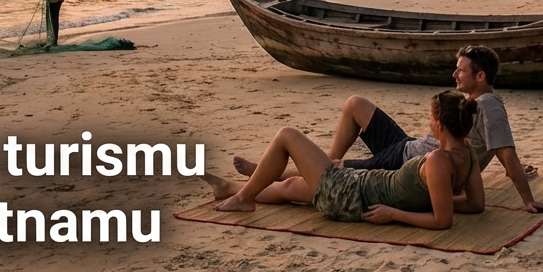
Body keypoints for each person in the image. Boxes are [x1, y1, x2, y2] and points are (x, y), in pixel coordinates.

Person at [234, 44, 543, 214]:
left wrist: (526, 199)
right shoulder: (473, 101)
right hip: (407, 146)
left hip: (405, 165)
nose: (454, 75)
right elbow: (496, 152)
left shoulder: (488, 106)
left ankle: (281, 174)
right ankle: (323, 161)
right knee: (354, 104)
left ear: (481, 76)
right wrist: (516, 171)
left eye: (461, 71)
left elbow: (506, 153)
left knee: (327, 175)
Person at [203, 90, 485, 230]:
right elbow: (475, 205)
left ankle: (244, 199)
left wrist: (394, 214)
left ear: (437, 122)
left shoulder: (437, 159)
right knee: (293, 188)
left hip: (351, 195)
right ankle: (231, 189)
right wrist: (436, 199)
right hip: (359, 187)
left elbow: (443, 220)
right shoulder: (468, 153)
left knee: (286, 135)